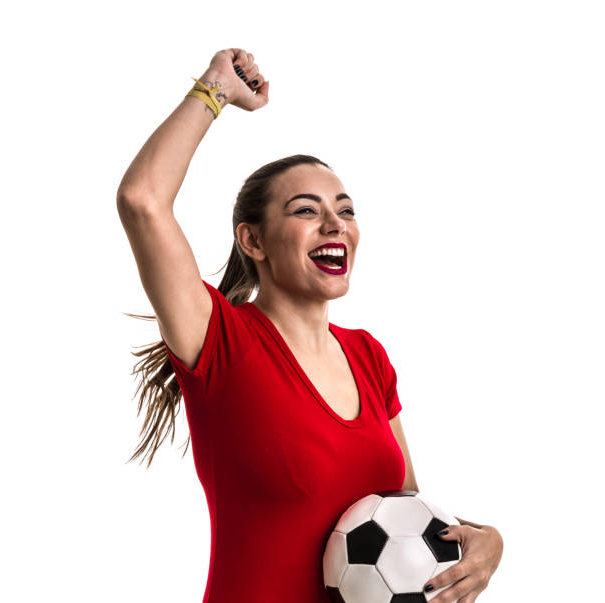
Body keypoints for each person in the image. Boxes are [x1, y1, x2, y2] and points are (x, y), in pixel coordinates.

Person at [117, 48, 503, 603]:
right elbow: (142, 199)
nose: (334, 225)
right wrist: (215, 89)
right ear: (253, 241)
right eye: (305, 210)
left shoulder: (368, 355)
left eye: (345, 211)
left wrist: (484, 543)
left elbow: (405, 516)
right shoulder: (221, 340)